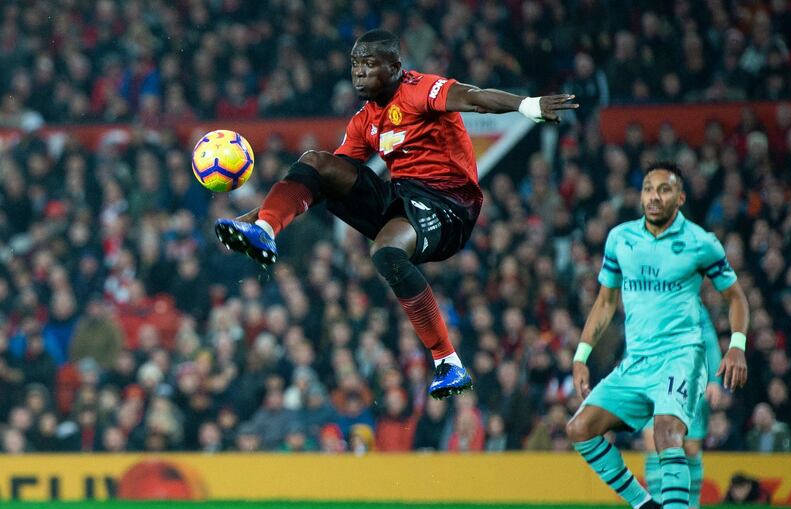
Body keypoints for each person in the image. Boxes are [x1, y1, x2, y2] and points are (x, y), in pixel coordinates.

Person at [215, 29, 577, 399]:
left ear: (395, 67)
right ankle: (265, 230)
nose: (359, 73)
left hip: (448, 203)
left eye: (370, 65)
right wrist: (254, 218)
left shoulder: (421, 90)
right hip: (401, 196)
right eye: (356, 65)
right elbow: (319, 185)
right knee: (317, 164)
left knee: (386, 252)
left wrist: (526, 106)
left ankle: (448, 362)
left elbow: (474, 98)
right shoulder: (364, 120)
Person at [566, 161, 749, 509]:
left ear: (680, 198)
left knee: (667, 430)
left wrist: (736, 345)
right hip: (638, 361)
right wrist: (581, 356)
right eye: (648, 188)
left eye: (664, 190)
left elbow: (735, 297)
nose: (653, 196)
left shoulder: (701, 243)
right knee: (580, 428)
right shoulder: (621, 239)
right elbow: (605, 302)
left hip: (682, 356)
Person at [642, 303, 723, 509]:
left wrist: (714, 380)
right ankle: (659, 507)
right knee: (652, 441)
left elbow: (710, 341)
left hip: (690, 381)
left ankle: (692, 506)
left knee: (690, 448)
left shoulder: (691, 303)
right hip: (655, 382)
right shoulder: (643, 298)